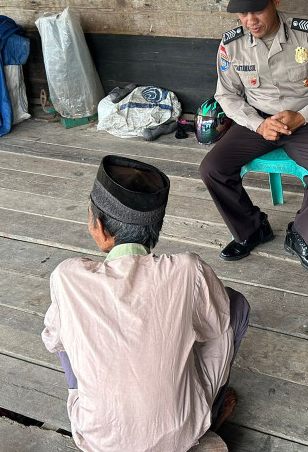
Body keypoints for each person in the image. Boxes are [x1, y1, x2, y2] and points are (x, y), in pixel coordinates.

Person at [42, 155, 250, 452]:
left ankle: (100, 403)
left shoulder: (67, 277)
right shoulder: (188, 270)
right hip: (180, 432)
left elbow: (54, 341)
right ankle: (209, 411)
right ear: (156, 228)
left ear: (99, 228)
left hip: (100, 438)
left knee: (62, 333)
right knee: (235, 306)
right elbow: (216, 324)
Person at [199, 0, 308, 274]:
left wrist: (302, 116)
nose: (250, 21)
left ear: (276, 0)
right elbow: (226, 95)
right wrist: (257, 124)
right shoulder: (231, 44)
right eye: (242, 14)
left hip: (304, 121)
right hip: (256, 122)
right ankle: (252, 228)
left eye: (257, 10)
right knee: (212, 169)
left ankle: (302, 235)